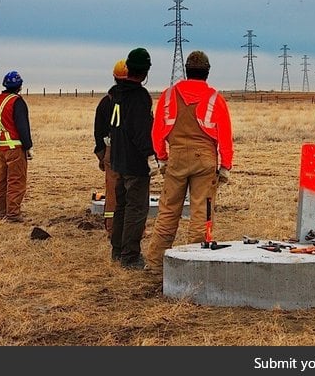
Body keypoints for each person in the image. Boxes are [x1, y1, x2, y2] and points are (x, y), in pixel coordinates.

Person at [145, 50, 234, 276]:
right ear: (207, 72)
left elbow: (157, 132)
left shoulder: (168, 95)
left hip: (175, 159)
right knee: (201, 214)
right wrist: (225, 166)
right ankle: (195, 264)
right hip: (205, 161)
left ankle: (155, 264)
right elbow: (225, 134)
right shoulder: (215, 98)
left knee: (167, 212)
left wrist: (162, 158)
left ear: (186, 70)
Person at [109, 47, 155, 270]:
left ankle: (117, 251)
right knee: (136, 209)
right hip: (135, 163)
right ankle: (130, 257)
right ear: (146, 72)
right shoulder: (139, 96)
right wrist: (150, 155)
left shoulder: (117, 93)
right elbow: (140, 131)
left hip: (119, 159)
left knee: (122, 206)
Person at [0, 70, 33, 223]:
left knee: (2, 181)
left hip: (3, 147)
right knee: (16, 181)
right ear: (20, 86)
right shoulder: (17, 101)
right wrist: (28, 146)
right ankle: (13, 214)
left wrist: (1, 142)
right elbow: (23, 126)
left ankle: (1, 212)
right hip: (16, 147)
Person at [93, 59, 128, 236]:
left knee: (113, 191)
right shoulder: (138, 101)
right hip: (131, 154)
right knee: (133, 191)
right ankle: (133, 229)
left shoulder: (105, 102)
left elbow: (98, 131)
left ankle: (112, 227)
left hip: (111, 152)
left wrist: (101, 155)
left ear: (114, 77)